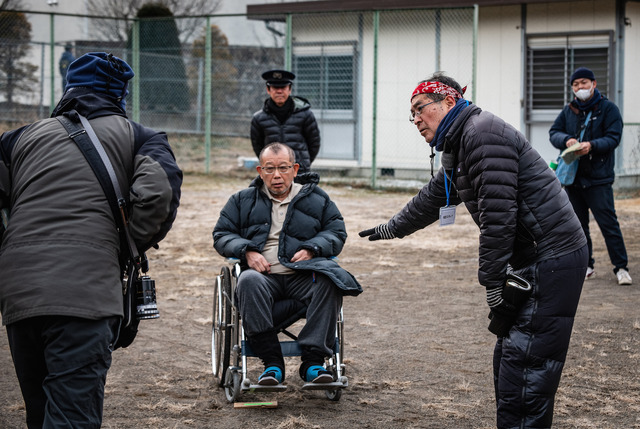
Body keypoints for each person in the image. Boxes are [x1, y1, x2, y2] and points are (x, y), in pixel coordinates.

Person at [359, 72, 588, 428]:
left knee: (526, 364)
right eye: (412, 114)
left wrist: (492, 281)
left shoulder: (481, 135)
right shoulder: (461, 140)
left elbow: (499, 218)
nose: (416, 119)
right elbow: (436, 196)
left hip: (551, 256)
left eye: (421, 109)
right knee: (512, 357)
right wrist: (393, 228)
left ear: (448, 102)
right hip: (537, 255)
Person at [0, 52, 182, 428]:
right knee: (71, 416)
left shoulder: (16, 139)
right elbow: (157, 196)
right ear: (120, 94)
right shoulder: (141, 137)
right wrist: (123, 248)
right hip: (85, 293)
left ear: (69, 88)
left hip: (19, 292)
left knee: (40, 412)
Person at [213, 142, 360, 385]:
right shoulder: (241, 200)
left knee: (330, 281)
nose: (277, 175)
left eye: (283, 168)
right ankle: (272, 365)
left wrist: (313, 249)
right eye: (270, 169)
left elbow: (336, 232)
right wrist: (247, 251)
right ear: (260, 171)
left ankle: (313, 364)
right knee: (247, 279)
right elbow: (221, 235)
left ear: (295, 169)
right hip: (263, 279)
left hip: (302, 275)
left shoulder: (316, 198)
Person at [549, 67, 632, 286]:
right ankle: (586, 265)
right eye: (575, 85)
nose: (579, 88)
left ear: (594, 84)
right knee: (577, 226)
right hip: (573, 180)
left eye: (583, 83)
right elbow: (553, 133)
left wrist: (591, 146)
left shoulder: (608, 109)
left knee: (609, 224)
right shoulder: (569, 110)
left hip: (599, 179)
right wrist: (566, 139)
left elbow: (613, 138)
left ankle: (621, 267)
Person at [250, 70, 321, 173]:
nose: (279, 91)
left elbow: (314, 143)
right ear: (268, 90)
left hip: (299, 171)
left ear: (290, 89)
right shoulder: (259, 119)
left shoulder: (305, 114)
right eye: (275, 88)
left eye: (283, 87)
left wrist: (303, 163)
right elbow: (258, 146)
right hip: (273, 174)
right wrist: (269, 165)